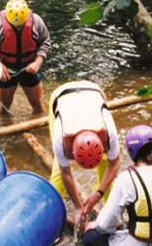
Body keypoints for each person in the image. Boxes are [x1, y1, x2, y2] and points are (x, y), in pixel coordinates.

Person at [83, 124, 152, 246]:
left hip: (140, 243)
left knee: (91, 237)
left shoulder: (127, 177)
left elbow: (104, 225)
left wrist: (95, 225)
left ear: (131, 151)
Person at [48, 80, 121, 228]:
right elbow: (66, 173)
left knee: (106, 161)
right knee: (58, 167)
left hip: (93, 92)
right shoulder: (60, 138)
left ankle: (110, 208)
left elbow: (115, 164)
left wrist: (98, 194)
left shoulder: (109, 132)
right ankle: (52, 214)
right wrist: (78, 207)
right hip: (61, 96)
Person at [0, 0, 52, 115]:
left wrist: (38, 62)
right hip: (5, 69)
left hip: (30, 66)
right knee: (4, 106)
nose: (18, 26)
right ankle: (4, 129)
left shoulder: (36, 21)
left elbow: (45, 42)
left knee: (37, 104)